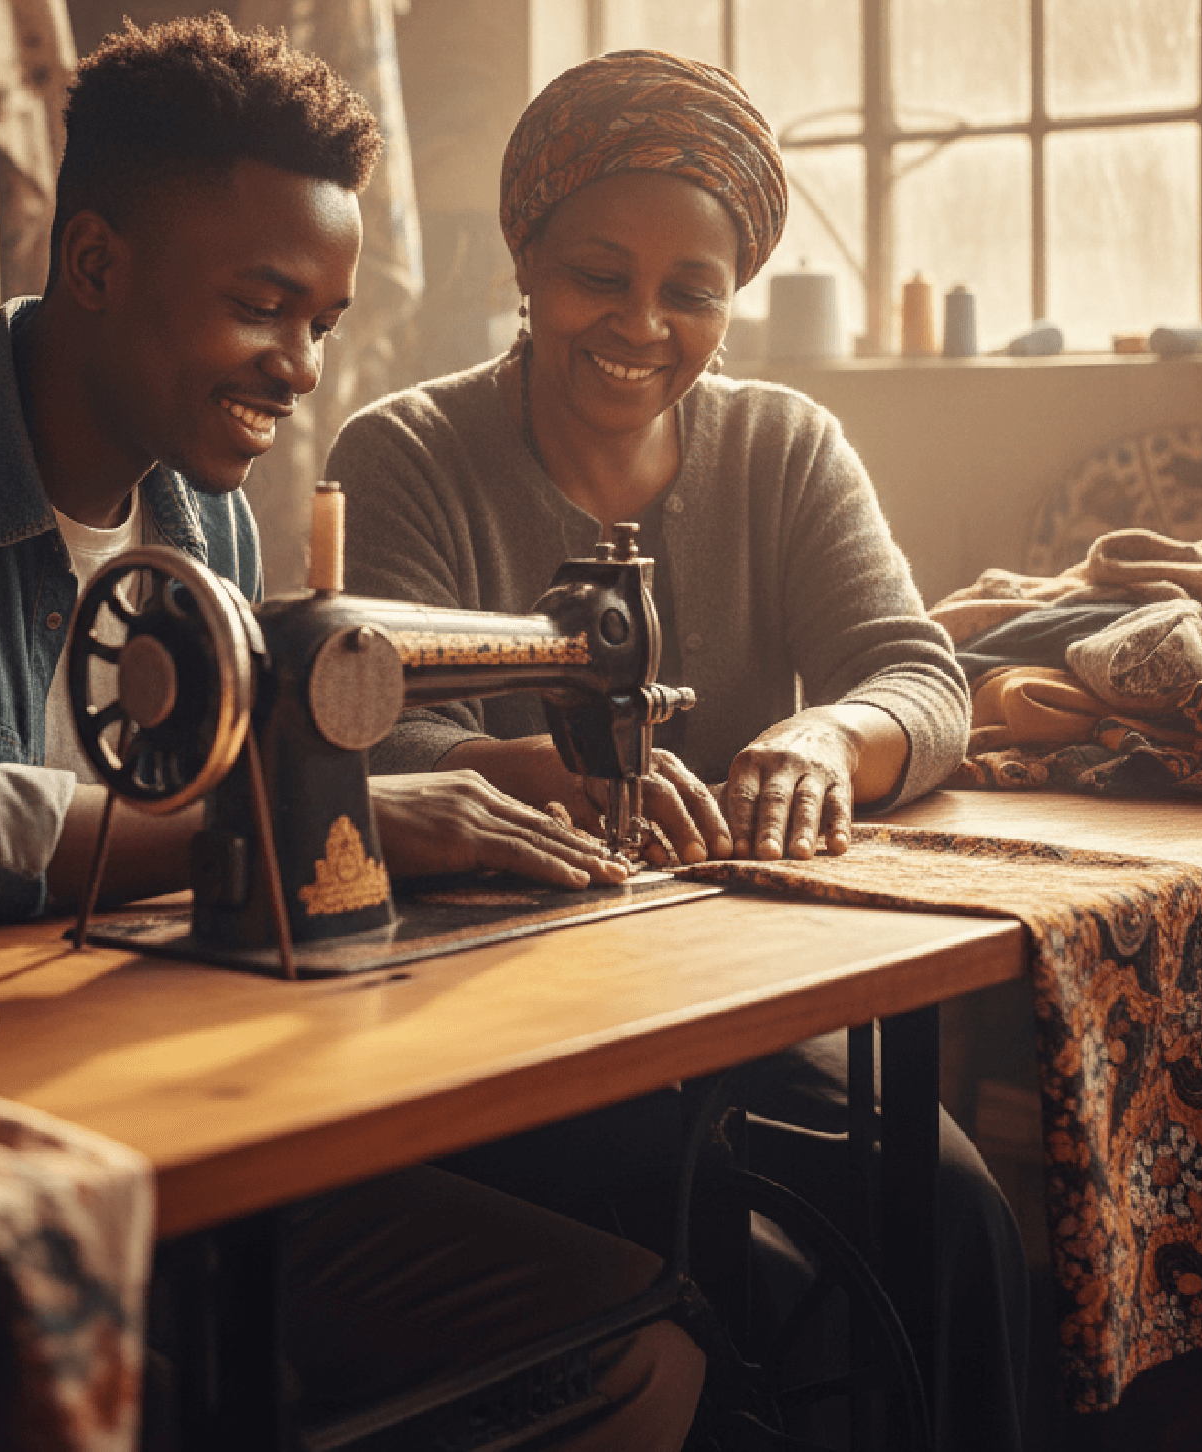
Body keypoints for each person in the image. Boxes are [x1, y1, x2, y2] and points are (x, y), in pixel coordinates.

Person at [0, 16, 702, 1449]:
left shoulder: (195, 508)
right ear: (94, 263)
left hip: (153, 1105)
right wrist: (281, 826)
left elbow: (249, 758)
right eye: (264, 307)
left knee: (632, 1338)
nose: (300, 368)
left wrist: (482, 768)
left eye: (323, 326)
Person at [328, 50, 1030, 1451]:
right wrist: (547, 774)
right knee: (684, 1238)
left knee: (952, 1212)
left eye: (691, 292)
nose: (642, 322)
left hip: (725, 987)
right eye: (601, 272)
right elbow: (370, 723)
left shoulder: (784, 447)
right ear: (527, 256)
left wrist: (826, 737)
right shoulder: (405, 452)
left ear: (733, 299)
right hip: (481, 1000)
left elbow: (918, 676)